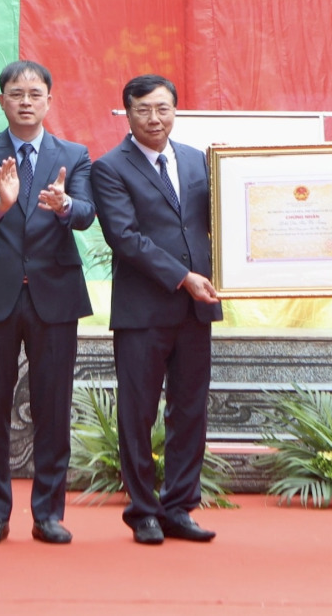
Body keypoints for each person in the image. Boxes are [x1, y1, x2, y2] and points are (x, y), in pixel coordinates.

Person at [0, 60, 95, 545]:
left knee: (53, 408)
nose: (27, 101)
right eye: (17, 94)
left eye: (36, 93)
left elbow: (86, 214)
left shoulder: (73, 154)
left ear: (49, 101)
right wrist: (2, 205)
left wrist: (66, 206)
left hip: (54, 295)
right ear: (2, 102)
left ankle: (49, 514)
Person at [90, 74, 221, 545]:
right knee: (138, 412)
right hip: (143, 311)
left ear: (175, 110)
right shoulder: (109, 168)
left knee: (189, 411)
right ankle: (143, 509)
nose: (154, 118)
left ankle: (180, 506)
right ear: (127, 113)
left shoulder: (197, 160)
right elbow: (125, 238)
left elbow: (223, 220)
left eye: (163, 108)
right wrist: (182, 278)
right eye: (144, 109)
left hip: (195, 311)